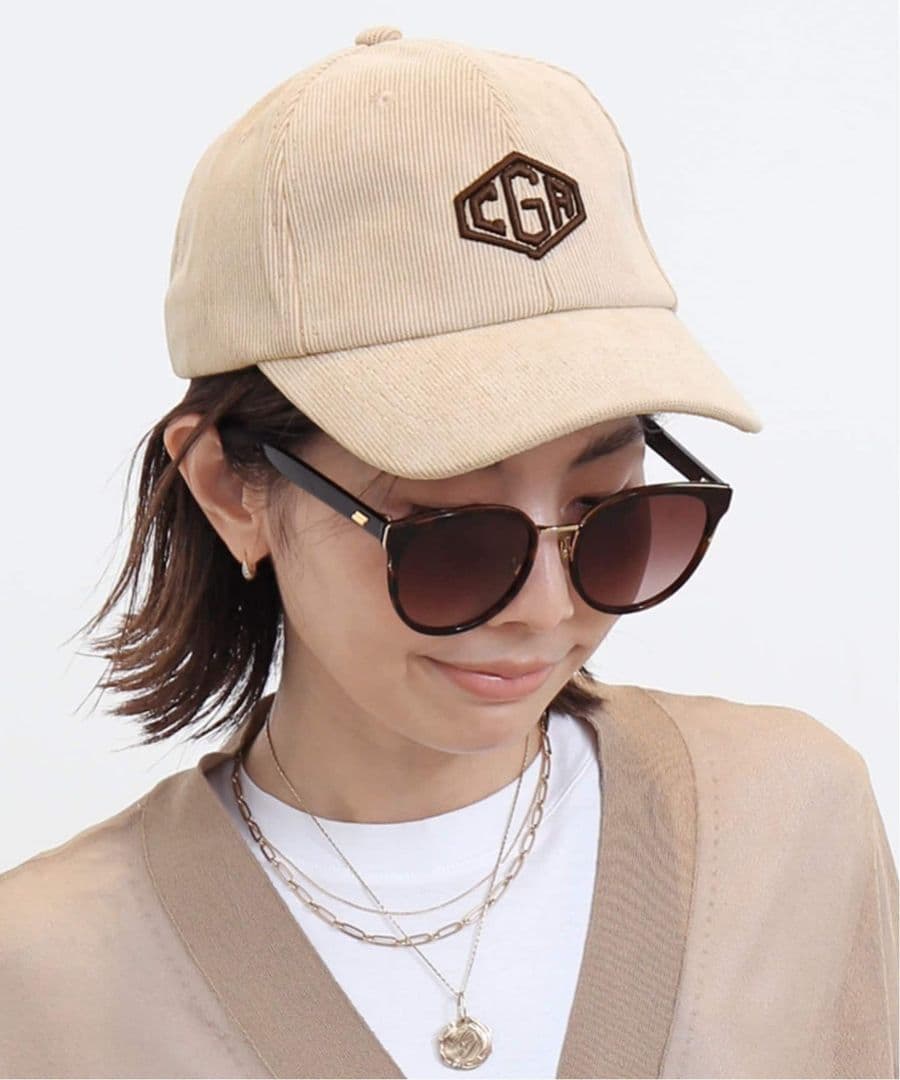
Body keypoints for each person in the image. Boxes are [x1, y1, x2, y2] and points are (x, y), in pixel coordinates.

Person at [0, 24, 896, 1080]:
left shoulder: (788, 826)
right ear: (230, 490)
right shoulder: (47, 977)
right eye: (452, 538)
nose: (548, 608)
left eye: (610, 516)